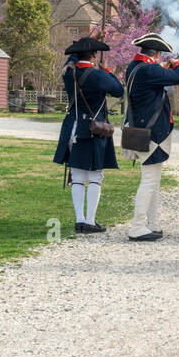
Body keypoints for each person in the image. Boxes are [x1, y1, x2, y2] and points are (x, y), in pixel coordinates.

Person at [121, 33, 179, 242]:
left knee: (152, 181)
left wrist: (166, 68)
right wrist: (177, 64)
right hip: (152, 134)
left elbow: (155, 79)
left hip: (142, 129)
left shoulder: (136, 67)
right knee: (150, 181)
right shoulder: (150, 70)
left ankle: (153, 223)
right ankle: (137, 226)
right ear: (158, 53)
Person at [53, 37, 125, 235]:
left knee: (77, 176)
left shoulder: (69, 72)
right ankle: (90, 221)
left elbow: (71, 60)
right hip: (93, 129)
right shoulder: (98, 75)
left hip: (73, 127)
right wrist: (107, 70)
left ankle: (80, 220)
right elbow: (118, 90)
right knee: (95, 175)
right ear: (94, 55)